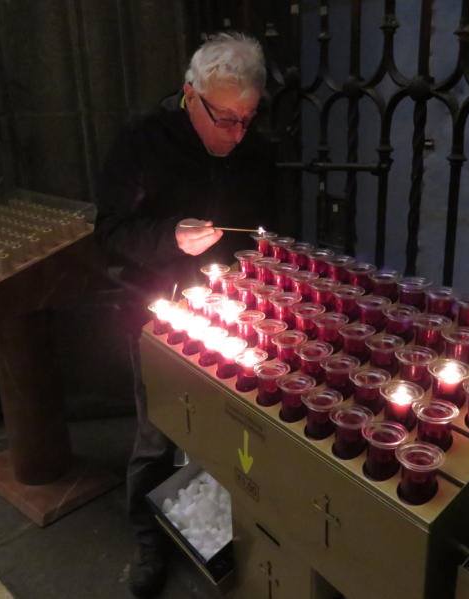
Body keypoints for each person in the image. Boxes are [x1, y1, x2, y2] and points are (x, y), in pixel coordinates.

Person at [94, 32, 277, 598]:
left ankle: (217, 527)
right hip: (157, 309)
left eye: (247, 119)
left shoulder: (254, 149)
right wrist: (170, 237)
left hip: (235, 314)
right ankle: (148, 538)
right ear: (190, 95)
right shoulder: (143, 142)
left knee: (230, 430)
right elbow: (110, 234)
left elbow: (266, 229)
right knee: (159, 428)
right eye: (225, 118)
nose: (236, 133)